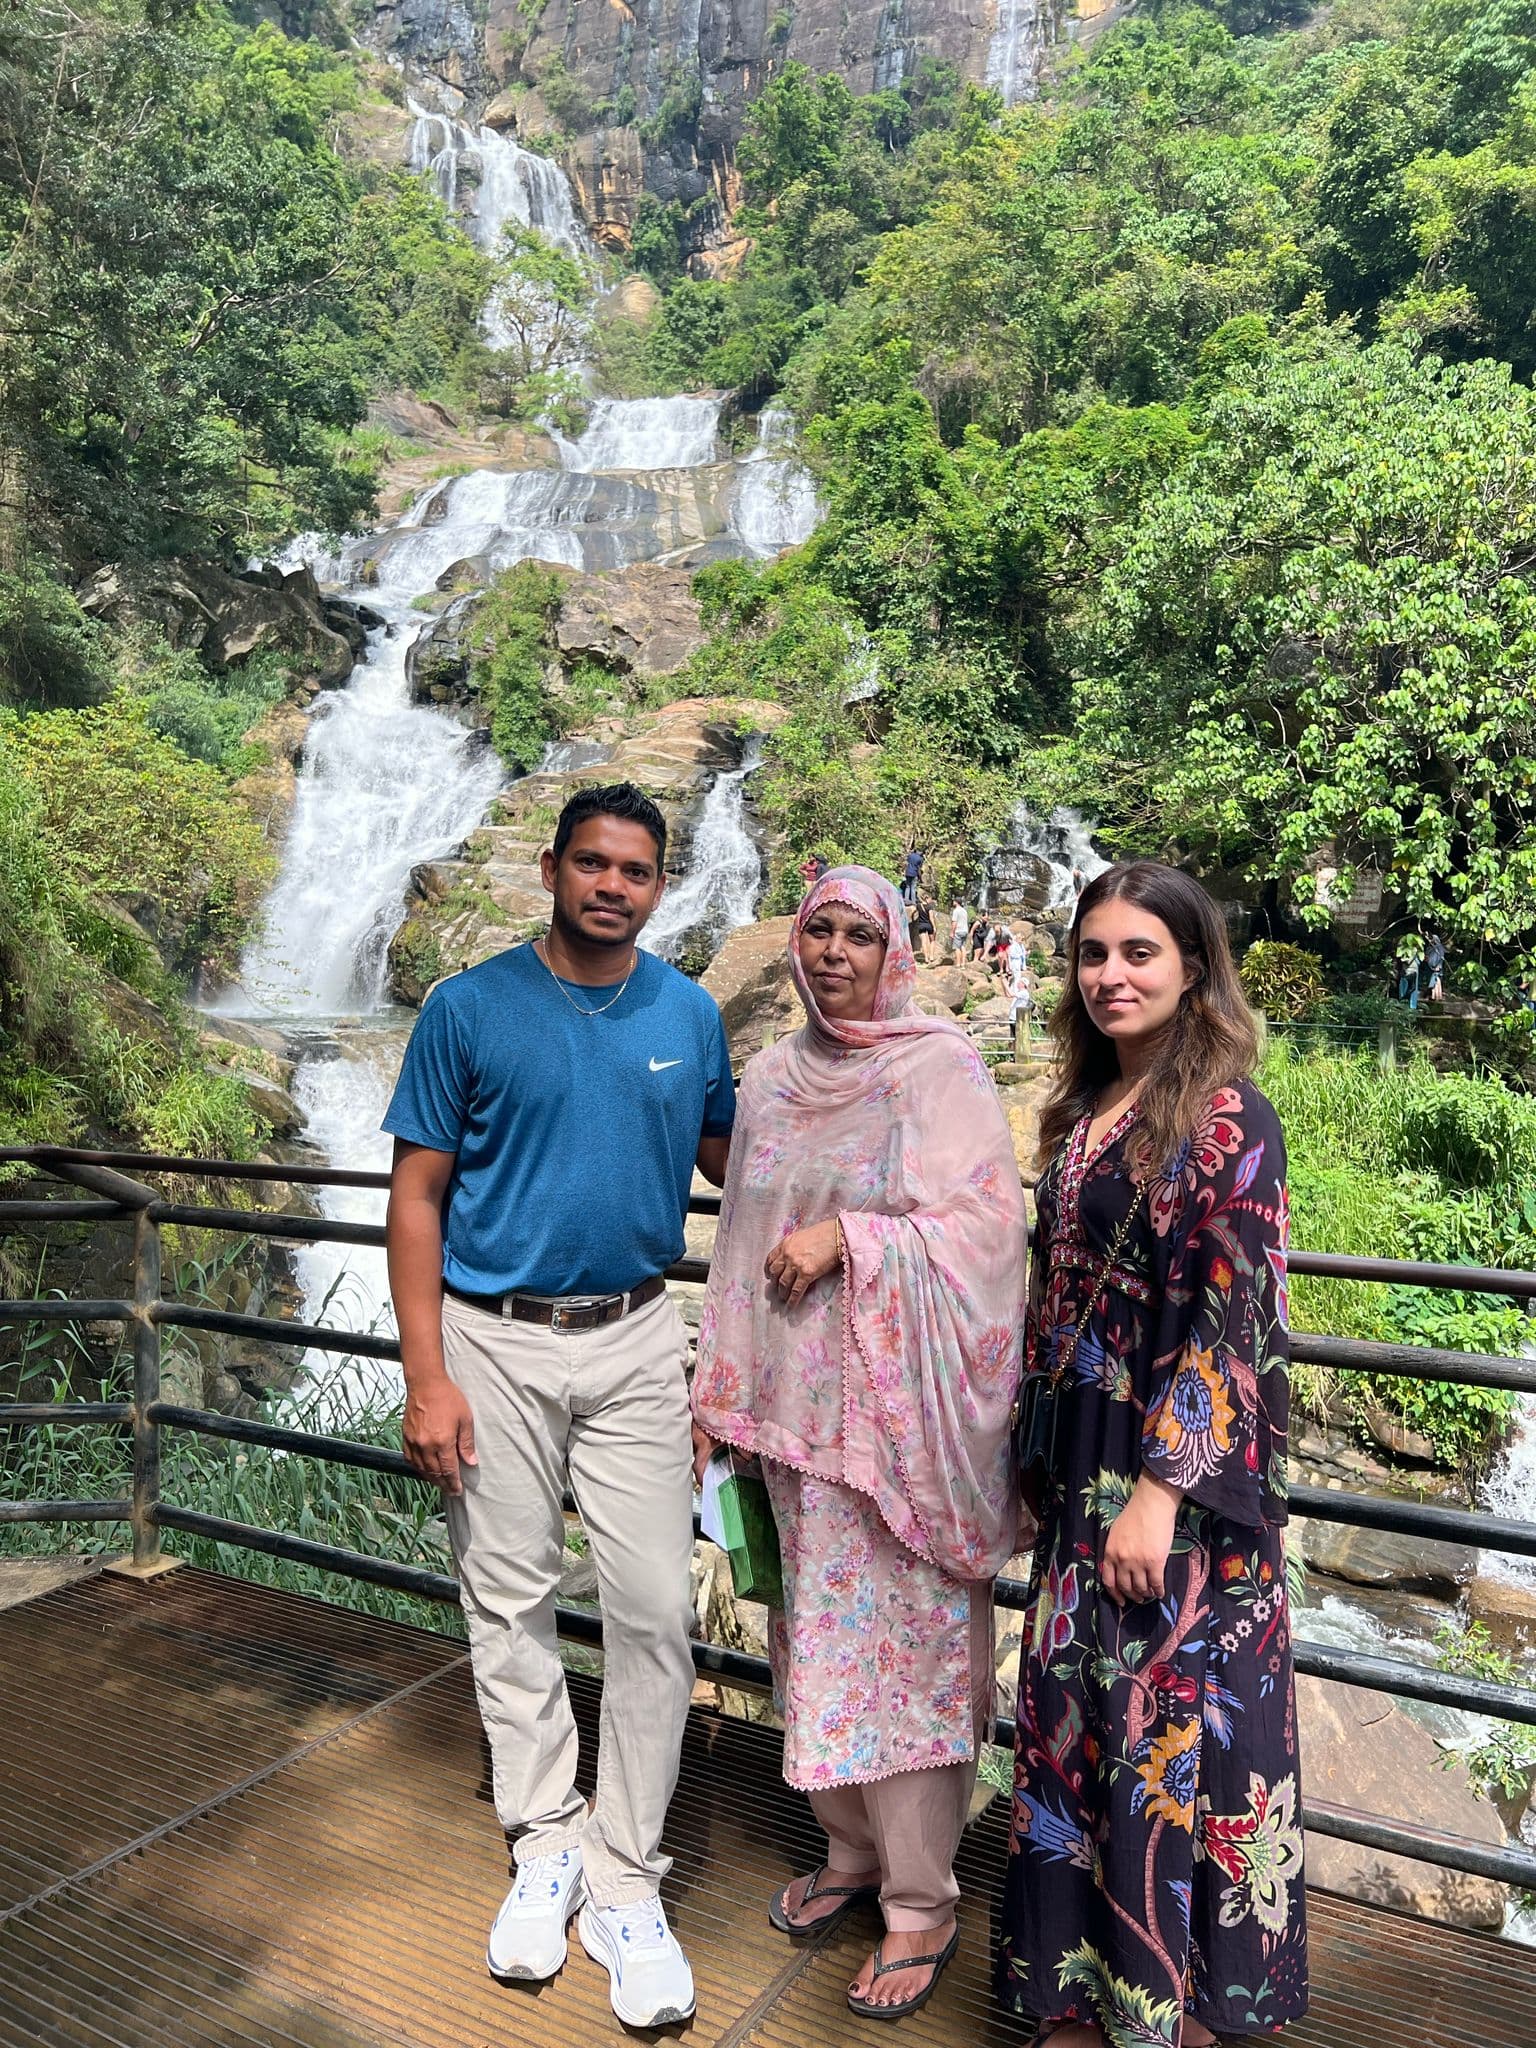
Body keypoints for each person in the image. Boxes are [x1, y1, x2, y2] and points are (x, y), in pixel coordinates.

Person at [383, 782, 735, 2029]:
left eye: (635, 870)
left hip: (640, 1332)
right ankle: (545, 1835)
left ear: (659, 885)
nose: (610, 884)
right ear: (551, 867)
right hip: (492, 1339)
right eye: (591, 861)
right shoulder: (469, 1007)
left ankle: (627, 1872)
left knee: (651, 1610)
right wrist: (428, 1374)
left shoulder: (690, 1013)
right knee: (508, 1590)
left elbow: (738, 1161)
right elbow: (417, 1195)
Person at [692, 867, 1027, 2022]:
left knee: (911, 1660)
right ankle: (852, 1854)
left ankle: (923, 1900)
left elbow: (988, 1227)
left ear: (895, 950)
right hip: (786, 1424)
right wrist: (718, 1398)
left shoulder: (937, 1068)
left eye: (858, 934)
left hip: (895, 1443)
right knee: (814, 1649)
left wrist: (857, 1238)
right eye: (819, 931)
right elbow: (739, 1242)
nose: (834, 952)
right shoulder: (777, 1076)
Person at [995, 860, 1306, 2048]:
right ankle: (1076, 1997)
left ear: (1192, 967)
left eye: (1140, 952)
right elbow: (1053, 1295)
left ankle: (1176, 2015)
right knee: (1082, 1731)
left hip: (1175, 1504)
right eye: (1093, 952)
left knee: (1173, 1739)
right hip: (1081, 1475)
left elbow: (1238, 1315)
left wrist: (1162, 1491)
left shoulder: (1232, 1116)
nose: (1111, 974)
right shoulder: (1080, 1115)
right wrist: (1033, 1465)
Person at [1004, 927, 1032, 1040]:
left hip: (1016, 1016)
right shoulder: (1014, 945)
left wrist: (1024, 953)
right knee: (1016, 977)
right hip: (1015, 962)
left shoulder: (1024, 993)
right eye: (1020, 938)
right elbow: (1012, 955)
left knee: (1018, 976)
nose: (1021, 940)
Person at [910, 892, 939, 966]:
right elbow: (931, 917)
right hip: (929, 925)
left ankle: (926, 958)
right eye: (930, 899)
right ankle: (931, 957)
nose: (931, 900)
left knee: (923, 942)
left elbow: (913, 912)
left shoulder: (918, 906)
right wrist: (934, 926)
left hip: (921, 925)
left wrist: (913, 919)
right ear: (927, 898)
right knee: (932, 941)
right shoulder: (929, 907)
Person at [1395, 942, 1420, 1011]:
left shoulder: (1414, 950)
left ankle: (1412, 1005)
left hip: (1412, 971)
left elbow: (1409, 961)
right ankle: (1403, 1002)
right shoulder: (1403, 951)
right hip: (1405, 971)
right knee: (1403, 987)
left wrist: (1403, 959)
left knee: (1412, 988)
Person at [1425, 931, 1447, 1003]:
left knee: (1436, 981)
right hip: (1431, 968)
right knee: (1435, 981)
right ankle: (1434, 996)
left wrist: (1435, 964)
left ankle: (1436, 996)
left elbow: (1437, 958)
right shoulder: (1431, 948)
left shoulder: (1439, 948)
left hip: (1437, 967)